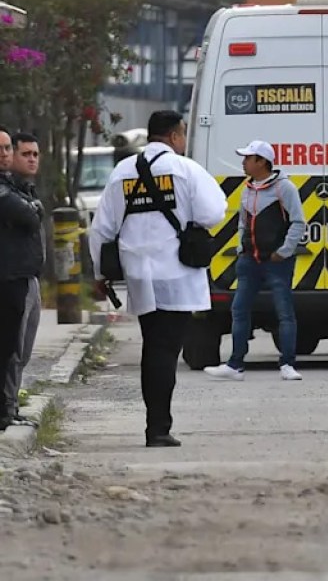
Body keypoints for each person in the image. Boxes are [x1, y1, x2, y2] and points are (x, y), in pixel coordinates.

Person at [89, 110, 227, 447]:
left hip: (138, 272)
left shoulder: (122, 172)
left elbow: (101, 229)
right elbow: (213, 213)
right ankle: (158, 428)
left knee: (153, 345)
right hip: (176, 274)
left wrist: (99, 273)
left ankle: (157, 424)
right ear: (175, 135)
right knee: (165, 349)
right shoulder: (185, 169)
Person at [205, 140, 306, 382]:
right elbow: (242, 222)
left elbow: (298, 222)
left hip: (277, 262)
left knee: (284, 313)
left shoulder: (284, 188)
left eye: (248, 158)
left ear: (262, 162)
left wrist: (284, 251)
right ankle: (235, 365)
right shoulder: (247, 189)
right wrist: (242, 248)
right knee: (239, 310)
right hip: (250, 260)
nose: (243, 163)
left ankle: (288, 364)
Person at [0, 129, 45, 431]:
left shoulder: (19, 187)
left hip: (28, 276)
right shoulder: (5, 190)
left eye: (35, 154)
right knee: (11, 349)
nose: (31, 160)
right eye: (24, 153)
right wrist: (32, 209)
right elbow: (28, 216)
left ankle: (10, 406)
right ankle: (5, 409)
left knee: (21, 350)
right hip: (10, 278)